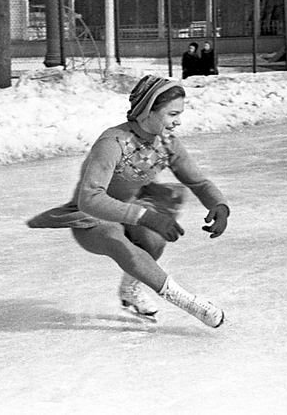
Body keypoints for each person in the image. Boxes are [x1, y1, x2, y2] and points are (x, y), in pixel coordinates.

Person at [27, 75, 230, 327]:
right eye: (172, 114)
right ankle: (188, 301)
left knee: (154, 242)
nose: (178, 121)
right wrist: (146, 216)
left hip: (133, 206)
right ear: (147, 111)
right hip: (92, 217)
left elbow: (198, 181)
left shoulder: (167, 143)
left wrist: (218, 205)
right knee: (117, 240)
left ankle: (129, 289)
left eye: (180, 114)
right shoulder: (112, 143)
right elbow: (90, 199)